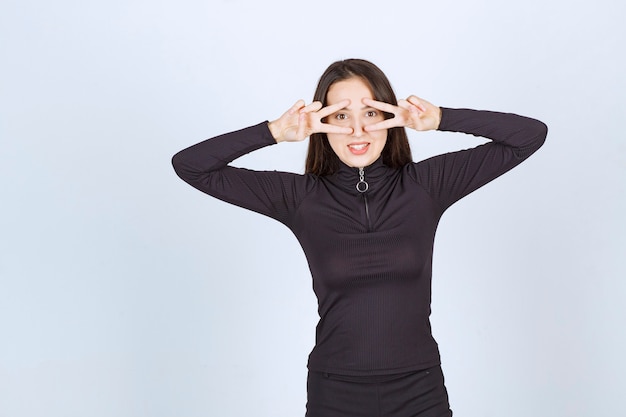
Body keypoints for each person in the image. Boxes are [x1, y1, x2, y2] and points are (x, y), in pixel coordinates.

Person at [172, 58, 547, 417]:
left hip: (419, 390)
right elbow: (191, 166)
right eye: (341, 116)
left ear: (389, 117)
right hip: (335, 393)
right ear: (321, 124)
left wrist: (440, 119)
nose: (357, 130)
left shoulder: (426, 186)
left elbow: (528, 136)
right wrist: (274, 131)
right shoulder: (300, 198)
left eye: (370, 113)